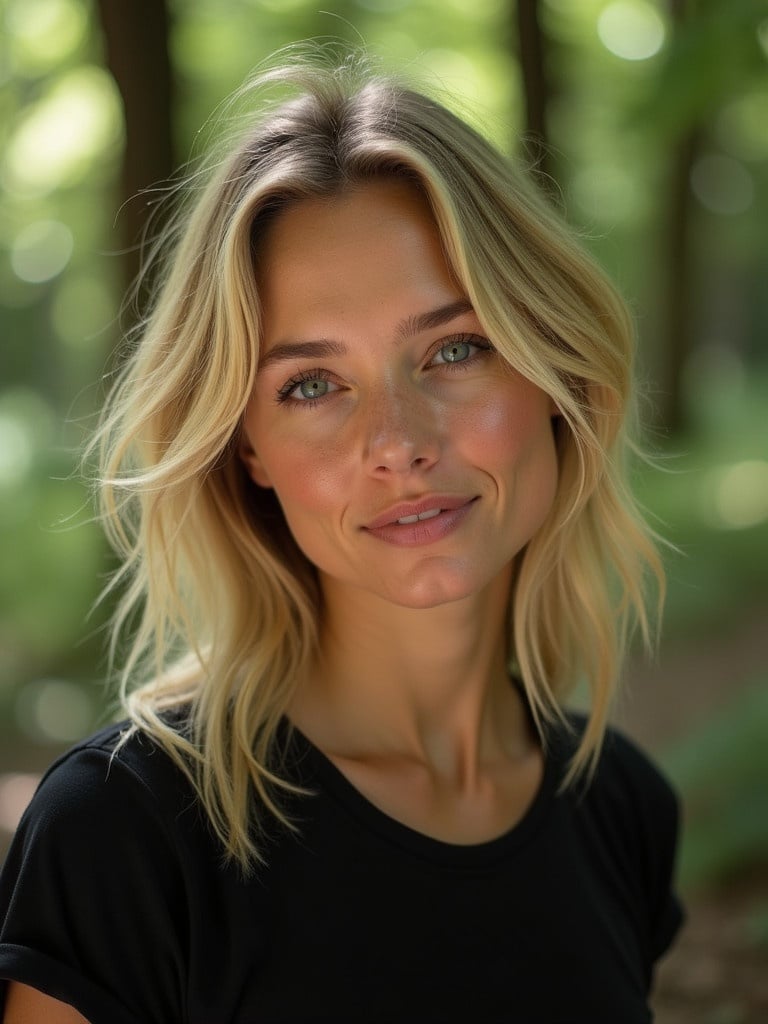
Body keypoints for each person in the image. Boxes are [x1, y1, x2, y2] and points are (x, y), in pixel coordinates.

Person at [0, 49, 683, 1023]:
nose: (398, 443)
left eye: (454, 349)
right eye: (312, 385)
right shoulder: (128, 834)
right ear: (249, 451)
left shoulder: (620, 808)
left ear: (556, 376)